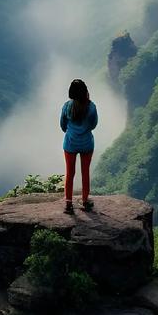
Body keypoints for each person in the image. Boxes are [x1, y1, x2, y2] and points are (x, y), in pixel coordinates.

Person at [59, 78, 98, 214]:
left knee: (70, 173)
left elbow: (63, 126)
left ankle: (68, 204)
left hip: (70, 144)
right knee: (85, 172)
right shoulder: (91, 107)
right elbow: (93, 125)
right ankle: (85, 201)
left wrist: (72, 133)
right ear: (85, 92)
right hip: (87, 144)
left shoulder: (66, 106)